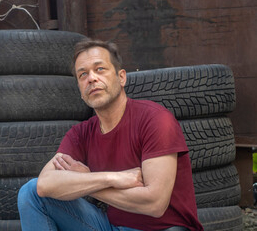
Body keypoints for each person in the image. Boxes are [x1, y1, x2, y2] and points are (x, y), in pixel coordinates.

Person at [17, 38, 203, 231]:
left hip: (165, 229)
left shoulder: (155, 120)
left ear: (121, 77)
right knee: (30, 193)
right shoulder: (81, 133)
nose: (91, 78)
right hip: (110, 227)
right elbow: (45, 184)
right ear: (80, 90)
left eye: (100, 69)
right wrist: (110, 178)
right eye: (83, 74)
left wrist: (90, 182)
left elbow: (155, 204)